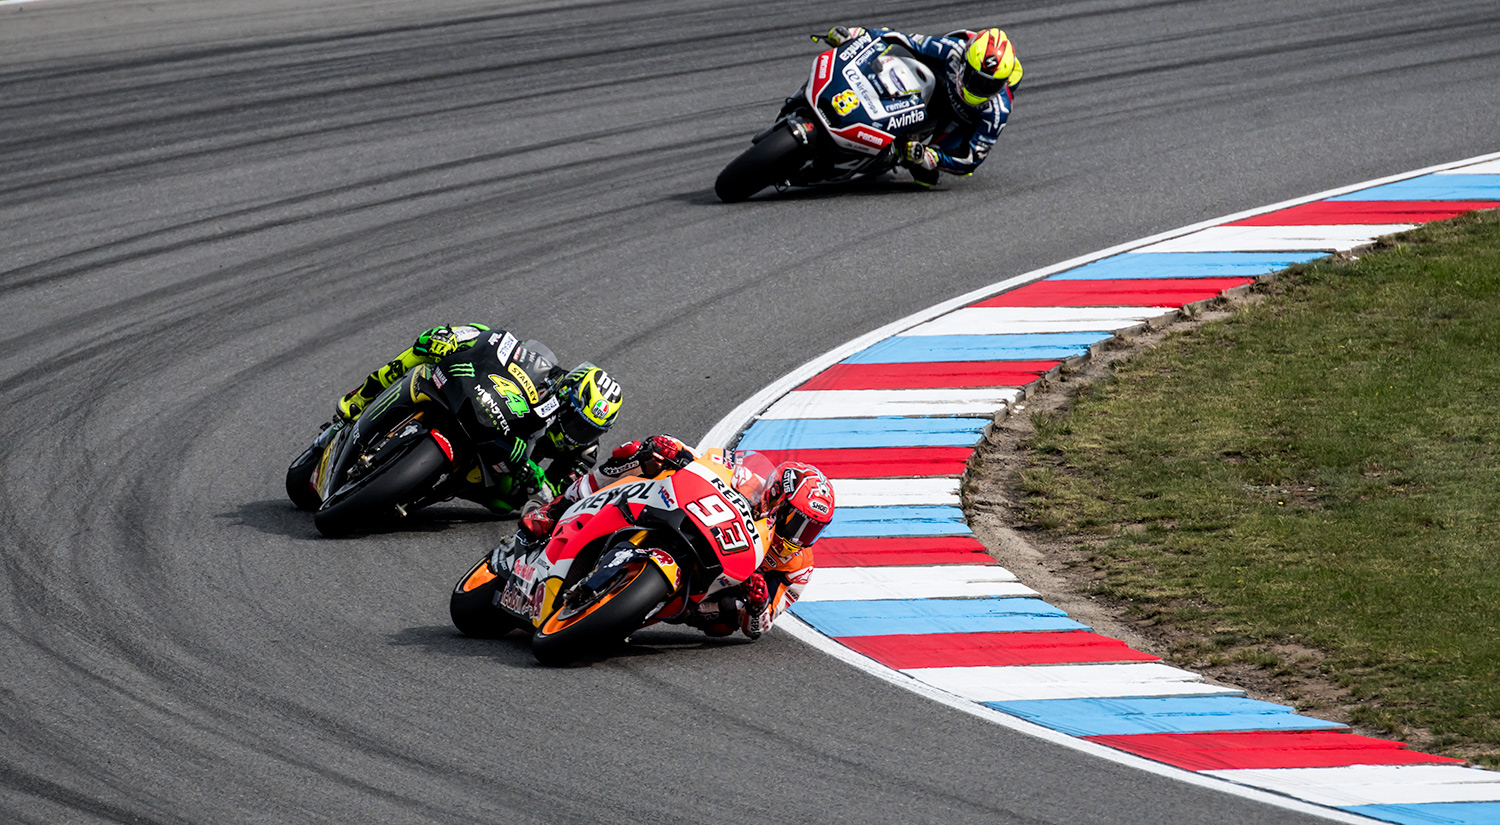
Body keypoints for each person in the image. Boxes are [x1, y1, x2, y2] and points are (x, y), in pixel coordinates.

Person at [516, 435, 835, 639]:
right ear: (778, 497)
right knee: (640, 457)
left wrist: (756, 603)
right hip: (697, 522)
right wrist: (671, 449)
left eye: (812, 530)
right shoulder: (748, 479)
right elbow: (704, 462)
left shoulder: (798, 568)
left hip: (713, 588)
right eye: (798, 523)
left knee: (724, 618)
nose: (800, 536)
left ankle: (632, 607)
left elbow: (759, 627)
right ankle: (556, 508)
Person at [334, 323, 622, 513]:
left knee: (506, 503)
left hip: (508, 462)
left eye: (588, 430)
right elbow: (499, 348)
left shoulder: (584, 453)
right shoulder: (544, 376)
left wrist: (536, 481)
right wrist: (461, 339)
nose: (576, 435)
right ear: (565, 397)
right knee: (428, 344)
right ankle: (362, 396)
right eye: (576, 422)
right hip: (488, 413)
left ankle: (430, 486)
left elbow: (560, 497)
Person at [824, 25, 1022, 186]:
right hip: (938, 85)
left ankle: (892, 155)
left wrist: (930, 156)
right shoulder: (952, 50)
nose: (981, 89)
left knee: (923, 173)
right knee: (891, 59)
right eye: (976, 80)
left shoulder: (997, 111)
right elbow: (905, 39)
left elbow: (971, 159)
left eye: (990, 85)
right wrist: (857, 35)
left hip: (961, 121)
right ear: (964, 63)